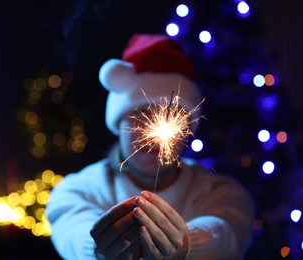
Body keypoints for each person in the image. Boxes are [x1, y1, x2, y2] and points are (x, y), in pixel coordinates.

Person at [46, 34, 255, 260]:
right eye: (141, 115)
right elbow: (72, 230)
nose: (152, 134)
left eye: (170, 116)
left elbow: (227, 232)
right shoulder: (78, 190)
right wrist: (98, 249)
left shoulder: (220, 192)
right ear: (119, 123)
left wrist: (187, 244)